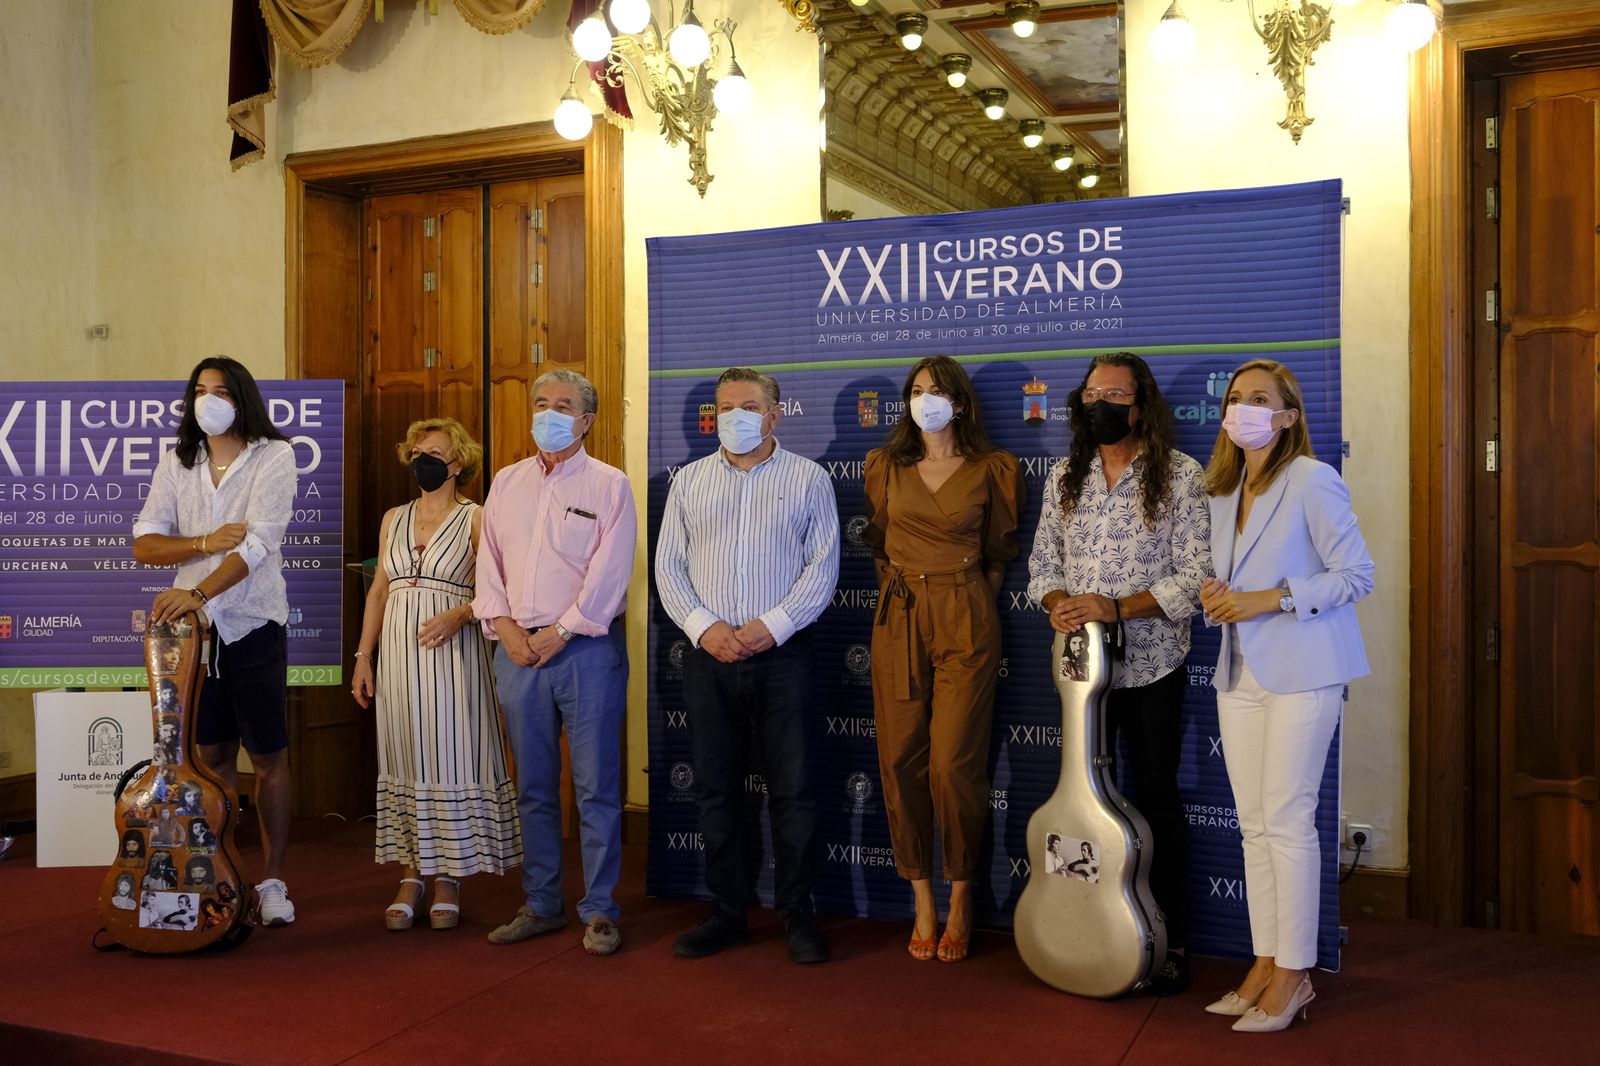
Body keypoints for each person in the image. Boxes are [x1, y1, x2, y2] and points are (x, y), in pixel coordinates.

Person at [1197, 359, 1374, 1033]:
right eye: (1236, 398)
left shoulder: (1312, 478)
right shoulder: (1222, 488)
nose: (1243, 408)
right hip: (1239, 671)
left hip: (1305, 668)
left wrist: (1270, 599)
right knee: (1254, 825)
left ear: (1288, 416)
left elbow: (1357, 575)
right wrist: (1219, 596)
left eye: (1260, 399)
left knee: (1288, 819)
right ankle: (1266, 960)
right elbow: (1229, 583)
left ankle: (1296, 975)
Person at [1026, 351, 1211, 994]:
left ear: (1140, 403)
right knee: (1080, 796)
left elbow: (1193, 579)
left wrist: (1114, 607)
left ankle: (1169, 939)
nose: (1100, 401)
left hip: (1153, 661)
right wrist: (1063, 605)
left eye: (1115, 392)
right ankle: (1083, 929)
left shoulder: (1182, 476)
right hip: (1080, 665)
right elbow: (1042, 567)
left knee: (1155, 794)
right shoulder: (1064, 476)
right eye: (1092, 391)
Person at [656, 367, 840, 965]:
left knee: (794, 791)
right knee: (716, 792)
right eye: (725, 406)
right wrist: (706, 628)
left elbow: (823, 567)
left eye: (749, 405)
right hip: (709, 658)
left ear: (774, 414)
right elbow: (669, 569)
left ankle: (797, 913)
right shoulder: (687, 483)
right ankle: (728, 910)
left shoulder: (809, 479)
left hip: (784, 656)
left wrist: (772, 626)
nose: (735, 415)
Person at [863, 355, 1024, 963]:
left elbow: (998, 551)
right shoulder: (884, 467)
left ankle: (960, 896)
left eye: (937, 390)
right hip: (898, 612)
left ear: (960, 402)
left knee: (954, 763)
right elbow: (881, 544)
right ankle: (921, 896)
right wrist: (909, 588)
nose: (925, 399)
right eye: (917, 390)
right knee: (901, 757)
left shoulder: (994, 469)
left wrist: (965, 596)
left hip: (966, 612)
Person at [131, 356, 298, 927]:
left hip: (252, 627)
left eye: (220, 391)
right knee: (210, 759)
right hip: (193, 639)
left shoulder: (274, 455)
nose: (208, 400)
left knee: (270, 758)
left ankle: (274, 879)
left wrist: (200, 591)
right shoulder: (179, 460)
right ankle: (220, 869)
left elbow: (256, 547)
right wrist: (202, 540)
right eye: (199, 390)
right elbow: (146, 544)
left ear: (242, 398)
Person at [474, 369, 635, 957]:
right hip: (516, 652)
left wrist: (560, 632)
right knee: (534, 788)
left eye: (563, 405)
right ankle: (541, 904)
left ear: (586, 420)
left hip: (585, 651)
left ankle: (599, 911)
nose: (549, 412)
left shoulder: (609, 485)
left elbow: (610, 574)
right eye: (540, 403)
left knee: (595, 788)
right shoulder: (506, 482)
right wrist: (509, 629)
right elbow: (488, 567)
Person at [351, 417, 522, 932]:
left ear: (459, 462)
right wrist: (363, 655)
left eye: (435, 451)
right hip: (398, 659)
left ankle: (449, 876)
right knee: (405, 753)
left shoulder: (477, 517)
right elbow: (379, 589)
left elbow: (501, 590)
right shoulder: (392, 518)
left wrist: (461, 613)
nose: (423, 459)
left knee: (450, 755)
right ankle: (411, 874)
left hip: (456, 657)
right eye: (417, 451)